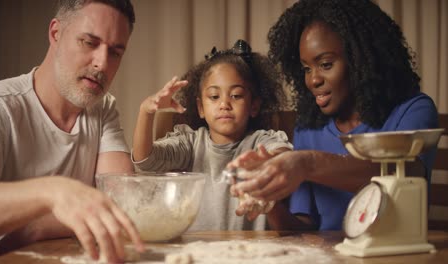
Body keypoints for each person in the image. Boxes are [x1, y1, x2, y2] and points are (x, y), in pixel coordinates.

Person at [228, 0, 439, 231]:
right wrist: (269, 202)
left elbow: (407, 175)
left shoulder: (413, 110)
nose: (313, 80)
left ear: (361, 61)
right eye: (306, 69)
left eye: (326, 64)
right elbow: (304, 228)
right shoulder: (309, 127)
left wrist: (307, 163)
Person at [0, 0, 145, 262]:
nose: (102, 63)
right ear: (56, 33)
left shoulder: (102, 108)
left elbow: (120, 200)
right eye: (89, 43)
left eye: (115, 52)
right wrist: (54, 193)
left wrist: (32, 229)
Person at [132, 39, 294, 231]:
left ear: (254, 106)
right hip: (196, 252)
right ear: (201, 107)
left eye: (236, 95)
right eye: (214, 97)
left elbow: (286, 158)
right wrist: (146, 112)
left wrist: (267, 162)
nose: (224, 104)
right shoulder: (189, 144)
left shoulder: (261, 141)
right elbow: (145, 162)